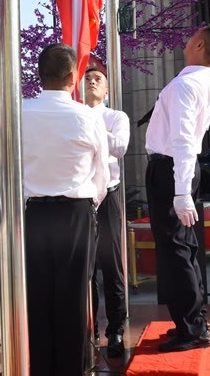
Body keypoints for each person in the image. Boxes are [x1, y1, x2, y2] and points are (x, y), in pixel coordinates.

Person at [22, 43, 110, 375]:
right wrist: (91, 206)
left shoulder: (20, 113)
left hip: (34, 215)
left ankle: (43, 368)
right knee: (74, 299)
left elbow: (11, 173)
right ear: (73, 76)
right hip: (75, 215)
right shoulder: (87, 117)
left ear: (39, 75)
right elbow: (101, 176)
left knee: (38, 299)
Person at [145, 23, 210, 352]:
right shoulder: (204, 82)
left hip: (171, 169)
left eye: (194, 35)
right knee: (183, 247)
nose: (188, 37)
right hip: (177, 168)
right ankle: (190, 319)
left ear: (198, 45)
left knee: (176, 249)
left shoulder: (187, 85)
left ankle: (193, 327)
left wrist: (181, 191)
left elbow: (182, 139)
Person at [84, 67, 130, 357]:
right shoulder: (73, 113)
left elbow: (120, 147)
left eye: (97, 79)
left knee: (112, 266)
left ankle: (115, 331)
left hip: (108, 198)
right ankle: (89, 330)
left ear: (107, 90)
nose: (91, 81)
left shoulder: (116, 117)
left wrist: (93, 125)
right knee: (85, 270)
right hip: (81, 199)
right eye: (87, 79)